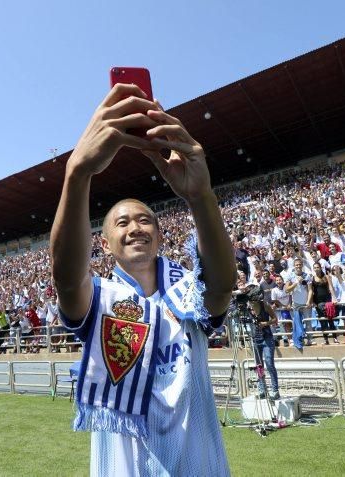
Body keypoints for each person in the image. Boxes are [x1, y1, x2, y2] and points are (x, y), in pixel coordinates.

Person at [50, 83, 235, 476]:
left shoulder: (188, 291)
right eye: (122, 222)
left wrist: (200, 195)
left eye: (145, 219)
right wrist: (77, 173)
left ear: (160, 235)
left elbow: (222, 286)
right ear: (105, 243)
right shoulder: (99, 299)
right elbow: (66, 280)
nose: (135, 227)